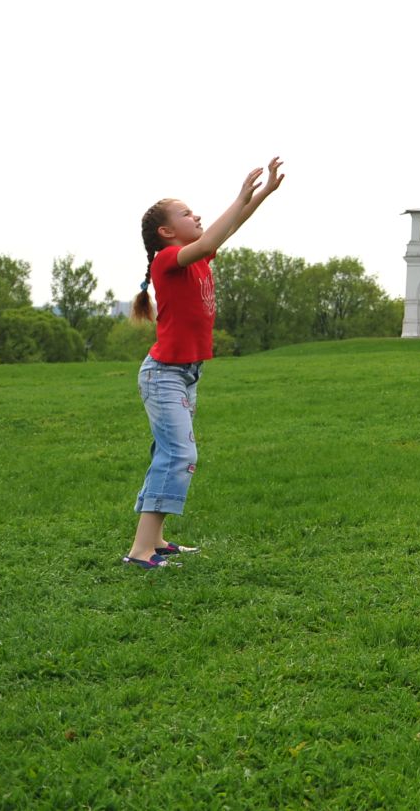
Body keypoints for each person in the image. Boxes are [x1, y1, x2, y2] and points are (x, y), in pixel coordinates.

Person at [124, 157, 285, 569]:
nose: (196, 215)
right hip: (165, 375)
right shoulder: (166, 260)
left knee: (170, 451)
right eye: (186, 213)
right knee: (178, 454)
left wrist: (261, 195)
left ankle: (155, 541)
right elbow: (213, 237)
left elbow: (222, 232)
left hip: (186, 373)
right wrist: (239, 195)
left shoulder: (196, 258)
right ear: (166, 232)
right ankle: (140, 552)